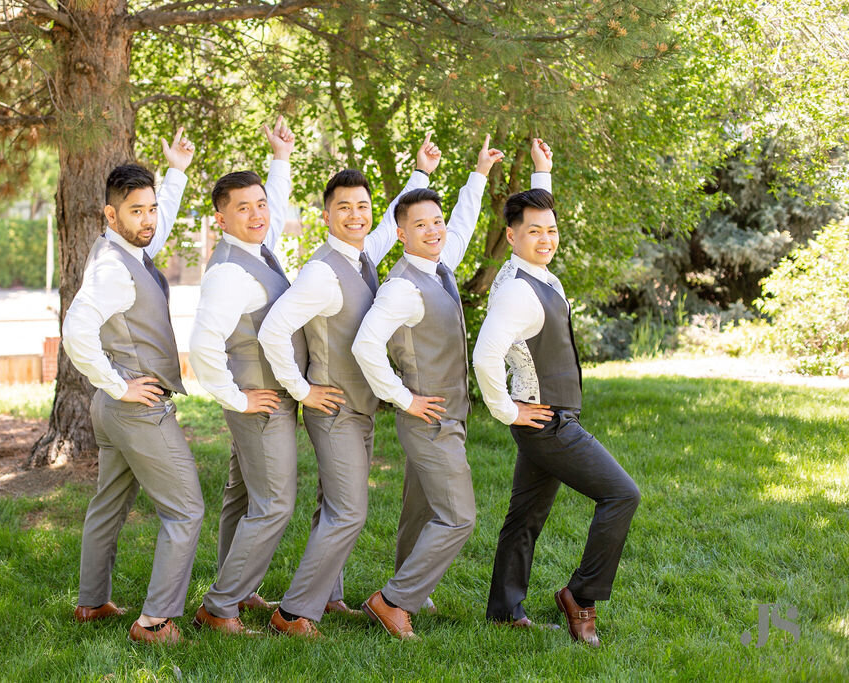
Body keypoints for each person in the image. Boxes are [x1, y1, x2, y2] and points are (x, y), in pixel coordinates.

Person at [350, 137, 548, 639]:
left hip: (446, 416)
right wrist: (404, 397)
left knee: (421, 510)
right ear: (400, 234)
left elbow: (460, 224)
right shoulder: (401, 287)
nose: (434, 230)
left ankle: (409, 585)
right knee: (459, 517)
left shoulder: (439, 268)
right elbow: (365, 345)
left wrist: (478, 175)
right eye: (421, 224)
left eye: (435, 222)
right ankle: (393, 601)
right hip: (429, 418)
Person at [256, 136, 443, 637]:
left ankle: (328, 596)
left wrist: (420, 172)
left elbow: (387, 227)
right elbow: (273, 330)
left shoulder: (361, 258)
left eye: (363, 206)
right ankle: (293, 613)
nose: (356, 215)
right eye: (345, 208)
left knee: (331, 507)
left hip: (359, 409)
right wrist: (302, 390)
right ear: (327, 216)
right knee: (349, 513)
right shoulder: (321, 271)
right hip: (334, 409)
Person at [473, 183, 641, 647]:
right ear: (511, 236)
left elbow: (537, 210)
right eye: (534, 232)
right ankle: (580, 596)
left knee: (525, 515)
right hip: (547, 422)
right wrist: (506, 411)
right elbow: (485, 356)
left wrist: (542, 171)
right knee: (622, 495)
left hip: (545, 417)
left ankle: (505, 612)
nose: (545, 239)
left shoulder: (533, 274)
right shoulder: (517, 293)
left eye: (552, 230)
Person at [62, 132, 203, 646]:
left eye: (151, 209)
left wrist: (178, 172)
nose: (147, 219)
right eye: (136, 211)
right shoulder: (111, 271)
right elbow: (76, 330)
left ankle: (92, 602)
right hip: (134, 408)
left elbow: (156, 231)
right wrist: (119, 386)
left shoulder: (126, 249)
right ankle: (155, 622)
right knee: (186, 509)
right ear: (109, 214)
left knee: (108, 504)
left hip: (112, 410)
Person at [187, 117, 305, 635]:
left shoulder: (256, 248)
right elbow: (201, 344)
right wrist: (236, 400)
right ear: (221, 219)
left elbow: (273, 212)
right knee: (276, 503)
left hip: (262, 398)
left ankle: (241, 587)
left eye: (260, 204)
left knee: (242, 495)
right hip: (260, 404)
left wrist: (280, 159)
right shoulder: (230, 273)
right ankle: (220, 605)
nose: (257, 214)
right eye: (244, 208)